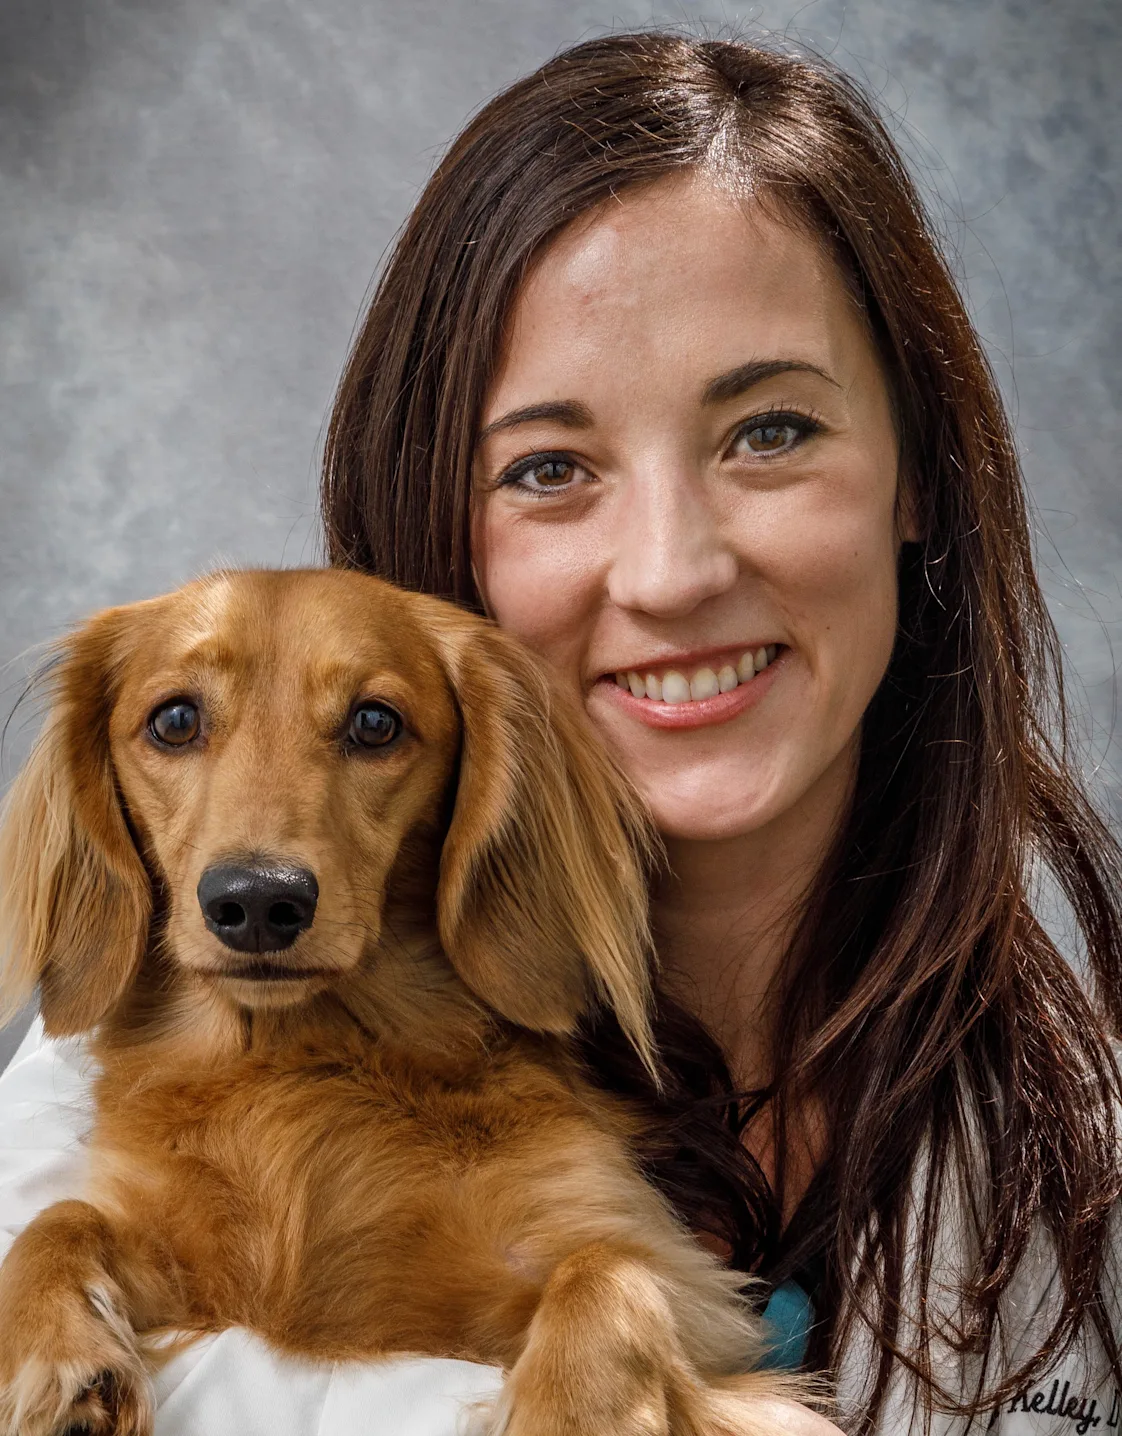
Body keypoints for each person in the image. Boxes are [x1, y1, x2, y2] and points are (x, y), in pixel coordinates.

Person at [1, 30, 1119, 1436]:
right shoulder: (99, 1105)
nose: (669, 570)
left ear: (914, 472)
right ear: (439, 522)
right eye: (547, 467)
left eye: (768, 432)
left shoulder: (1088, 1169)